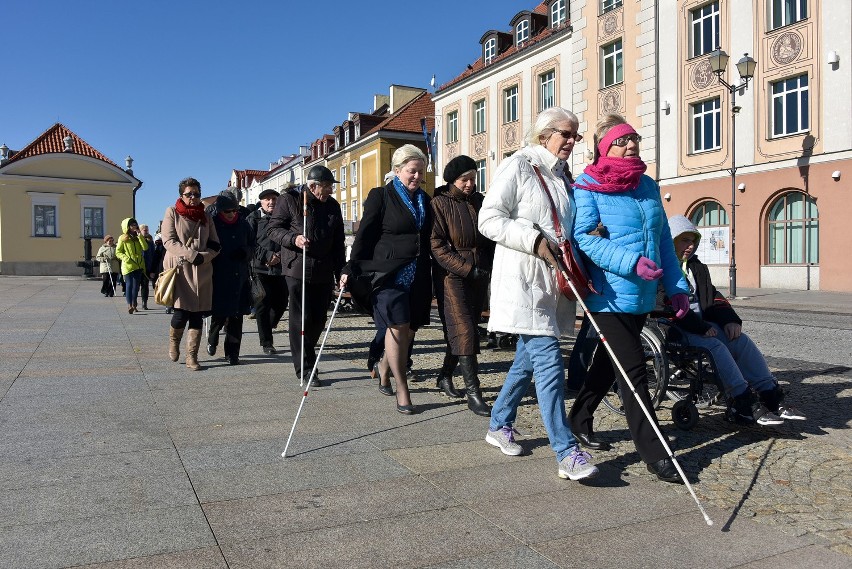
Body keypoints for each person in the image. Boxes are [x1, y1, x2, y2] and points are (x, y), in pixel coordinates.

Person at [567, 114, 690, 484]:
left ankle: (579, 417)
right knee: (634, 371)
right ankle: (656, 452)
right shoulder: (587, 186)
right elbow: (585, 239)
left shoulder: (648, 185)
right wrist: (631, 262)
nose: (631, 145)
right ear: (604, 147)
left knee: (610, 364)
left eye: (634, 138)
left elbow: (665, 242)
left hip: (642, 296)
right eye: (622, 141)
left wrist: (678, 285)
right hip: (608, 296)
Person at [477, 107, 598, 481]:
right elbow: (489, 219)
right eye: (566, 133)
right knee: (547, 361)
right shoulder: (518, 166)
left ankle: (499, 423)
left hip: (552, 284)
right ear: (544, 134)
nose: (572, 141)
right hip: (524, 280)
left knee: (526, 361)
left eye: (576, 135)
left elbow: (563, 227)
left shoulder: (564, 177)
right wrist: (532, 240)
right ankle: (566, 450)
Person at [664, 215, 806, 425]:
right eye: (684, 240)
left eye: (693, 240)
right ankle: (742, 402)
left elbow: (711, 296)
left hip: (701, 326)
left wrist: (730, 320)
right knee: (715, 346)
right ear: (671, 240)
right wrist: (700, 327)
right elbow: (663, 304)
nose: (690, 246)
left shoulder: (697, 267)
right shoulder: (661, 266)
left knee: (741, 340)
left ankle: (771, 396)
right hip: (675, 328)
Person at [346, 145, 433, 414]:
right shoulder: (381, 196)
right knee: (397, 326)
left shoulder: (425, 200)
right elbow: (366, 234)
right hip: (388, 274)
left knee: (409, 330)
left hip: (417, 274)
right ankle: (403, 390)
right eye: (411, 171)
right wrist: (350, 267)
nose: (417, 176)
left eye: (420, 171)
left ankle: (384, 367)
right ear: (397, 171)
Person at [267, 166, 346, 387]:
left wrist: (341, 270)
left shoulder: (332, 206)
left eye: (331, 186)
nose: (331, 190)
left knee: (319, 319)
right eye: (327, 186)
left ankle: (306, 349)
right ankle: (305, 368)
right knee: (301, 318)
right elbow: (273, 229)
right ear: (313, 186)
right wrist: (294, 239)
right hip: (297, 267)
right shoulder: (290, 200)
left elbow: (338, 243)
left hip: (323, 268)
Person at [430, 154, 494, 416]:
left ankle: (445, 375)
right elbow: (437, 245)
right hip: (452, 277)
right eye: (464, 180)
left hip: (480, 275)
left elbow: (491, 234)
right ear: (452, 180)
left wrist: (487, 268)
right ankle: (473, 392)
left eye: (472, 178)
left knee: (461, 331)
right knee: (466, 331)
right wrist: (467, 269)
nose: (469, 184)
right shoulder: (439, 204)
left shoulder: (479, 202)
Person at [161, 177, 220, 371]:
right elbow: (168, 240)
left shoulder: (206, 216)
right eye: (189, 194)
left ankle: (192, 357)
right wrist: (191, 255)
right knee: (181, 312)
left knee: (197, 314)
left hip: (202, 269)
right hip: (180, 267)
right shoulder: (172, 212)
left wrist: (206, 256)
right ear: (181, 195)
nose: (193, 197)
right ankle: (173, 342)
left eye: (196, 194)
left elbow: (215, 243)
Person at [207, 194, 254, 365]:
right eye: (227, 211)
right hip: (219, 275)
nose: (231, 214)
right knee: (219, 313)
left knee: (236, 315)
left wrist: (245, 252)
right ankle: (213, 337)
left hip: (239, 275)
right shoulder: (213, 223)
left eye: (234, 210)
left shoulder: (243, 223)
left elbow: (252, 245)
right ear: (220, 211)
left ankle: (232, 353)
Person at [247, 188, 287, 355]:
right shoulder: (253, 219)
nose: (271, 202)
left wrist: (280, 255)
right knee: (262, 304)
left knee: (282, 302)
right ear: (261, 202)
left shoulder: (285, 218)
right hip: (260, 269)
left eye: (274, 199)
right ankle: (267, 343)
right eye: (267, 199)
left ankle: (269, 325)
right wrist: (267, 255)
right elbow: (249, 243)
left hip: (281, 268)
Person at [115, 217, 149, 314]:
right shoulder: (123, 238)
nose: (134, 227)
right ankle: (129, 305)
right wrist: (126, 258)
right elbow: (118, 252)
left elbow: (145, 248)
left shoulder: (138, 237)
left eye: (135, 225)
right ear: (127, 227)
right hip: (128, 265)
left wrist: (140, 236)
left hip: (138, 265)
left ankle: (134, 303)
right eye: (132, 225)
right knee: (129, 285)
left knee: (136, 286)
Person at [139, 224, 155, 310]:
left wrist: (152, 269)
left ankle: (144, 302)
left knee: (145, 286)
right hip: (137, 266)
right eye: (145, 230)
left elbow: (153, 254)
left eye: (147, 230)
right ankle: (133, 302)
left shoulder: (150, 241)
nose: (147, 231)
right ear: (140, 231)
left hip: (147, 266)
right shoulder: (137, 240)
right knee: (136, 286)